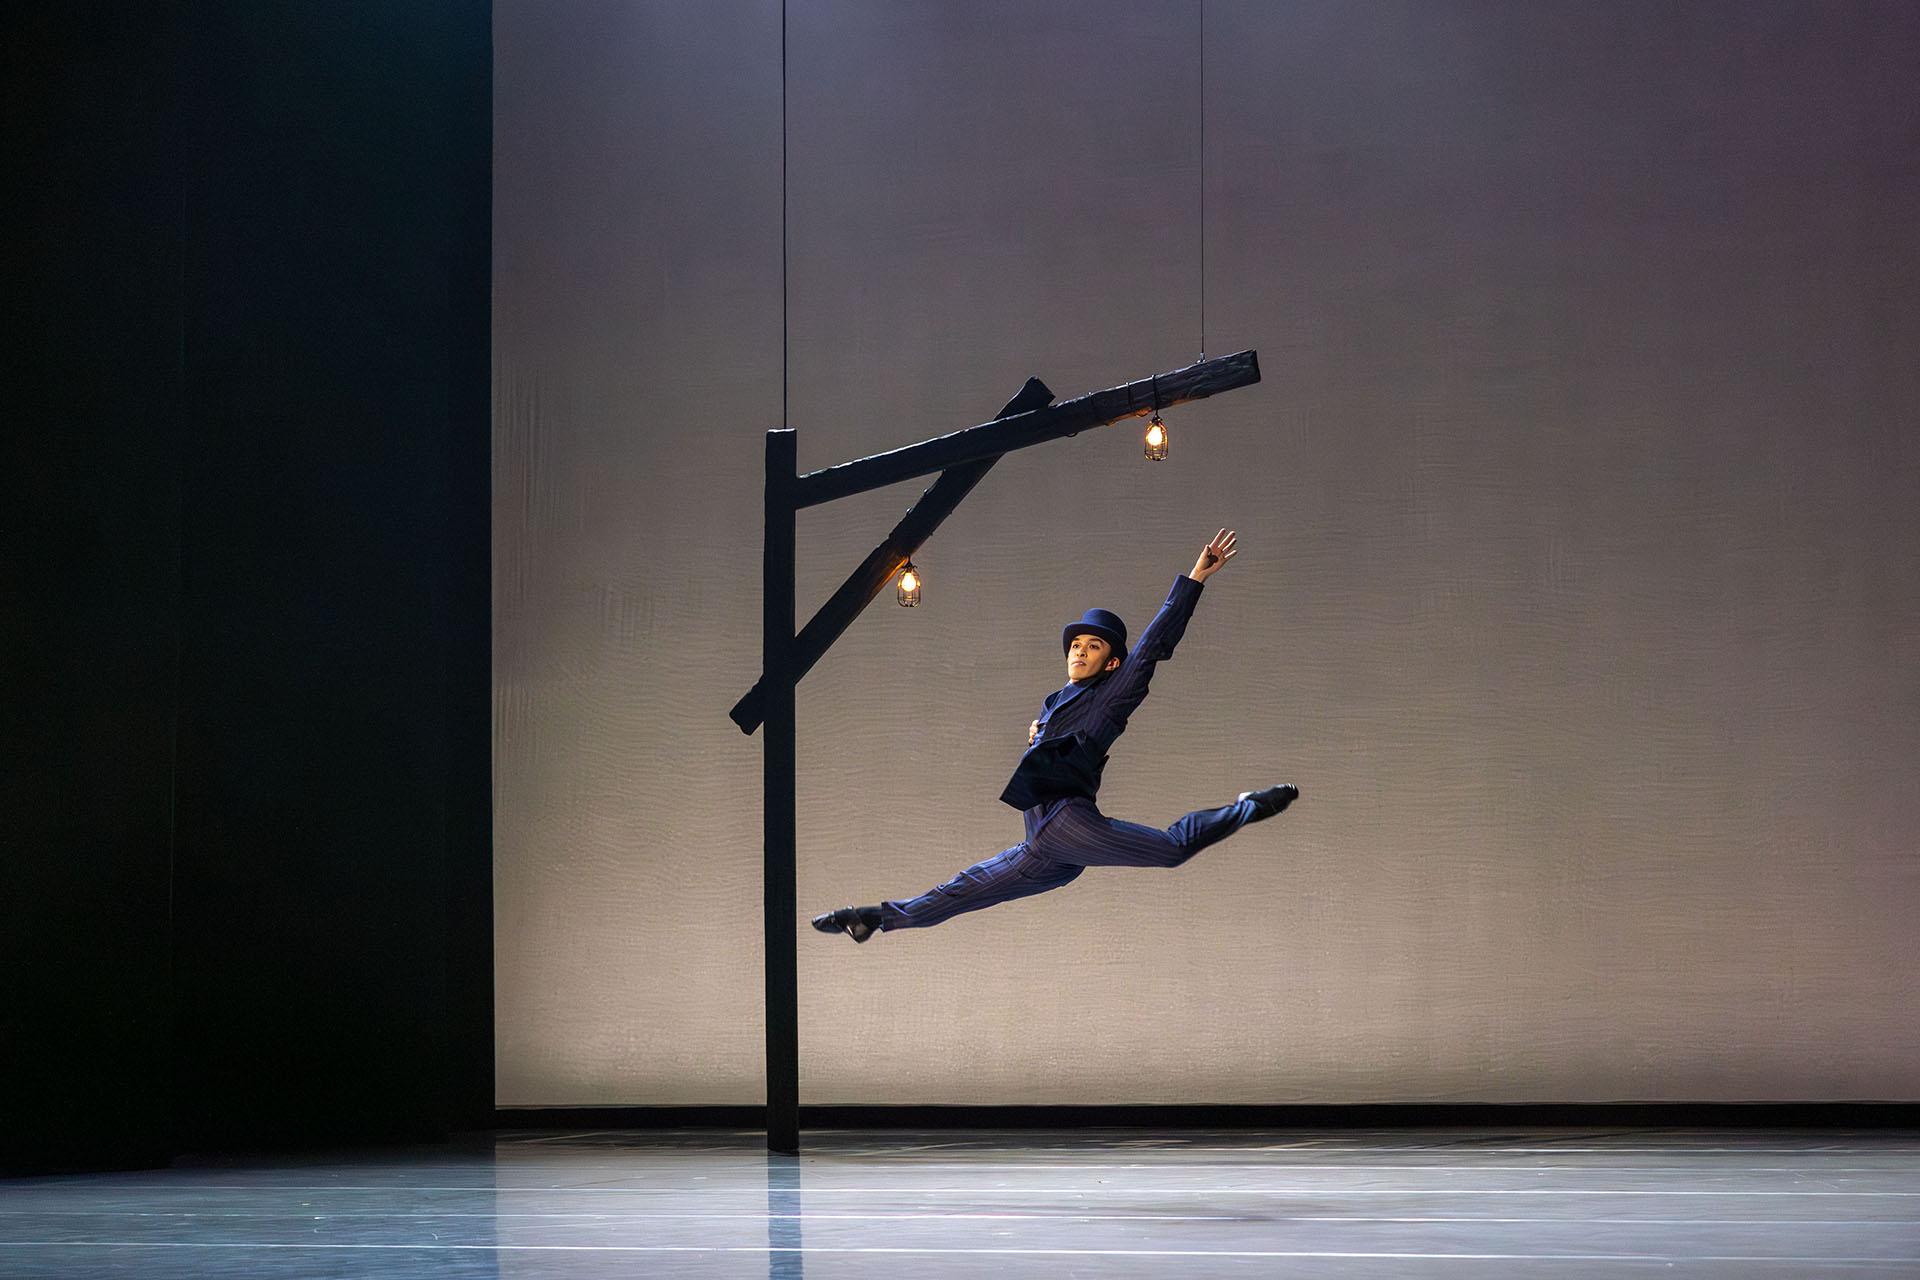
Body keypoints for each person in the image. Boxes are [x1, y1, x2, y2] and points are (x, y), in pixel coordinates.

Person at [812, 529, 1298, 943]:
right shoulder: (1052, 704)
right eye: (1075, 645)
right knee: (964, 891)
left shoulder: (1111, 695)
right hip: (1043, 849)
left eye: (1093, 647)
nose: (1079, 652)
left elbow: (1151, 647)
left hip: (1068, 825)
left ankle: (1247, 806)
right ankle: (875, 918)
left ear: (1112, 663)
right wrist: (1037, 735)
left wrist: (1193, 580)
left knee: (1172, 850)